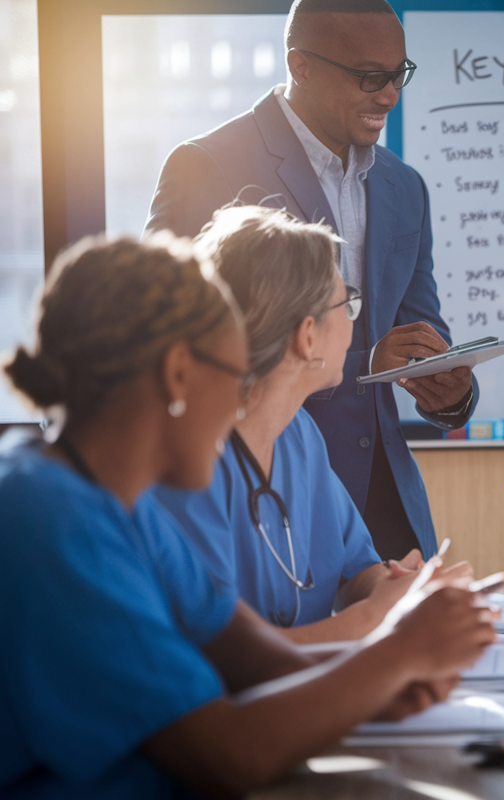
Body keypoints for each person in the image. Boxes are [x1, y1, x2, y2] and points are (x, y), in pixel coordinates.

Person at [0, 234, 495, 798]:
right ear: (178, 374)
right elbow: (228, 756)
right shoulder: (50, 521)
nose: (242, 402)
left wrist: (393, 676)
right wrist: (397, 654)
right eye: (236, 375)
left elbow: (261, 662)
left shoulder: (125, 510)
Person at [144, 0, 473, 562]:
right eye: (370, 77)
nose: (390, 95)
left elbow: (419, 329)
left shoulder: (404, 185)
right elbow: (167, 342)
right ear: (300, 66)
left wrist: (447, 387)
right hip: (256, 487)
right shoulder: (208, 165)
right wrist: (365, 362)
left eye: (398, 75)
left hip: (385, 503)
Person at [154, 206, 424, 640]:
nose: (353, 324)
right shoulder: (190, 466)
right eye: (347, 306)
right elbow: (233, 660)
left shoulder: (300, 435)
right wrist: (376, 619)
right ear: (307, 335)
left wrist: (399, 589)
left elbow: (355, 570)